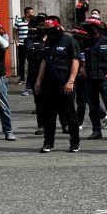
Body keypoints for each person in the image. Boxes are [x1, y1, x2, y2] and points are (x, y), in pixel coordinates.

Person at [34, 18, 81, 153]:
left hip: (65, 84)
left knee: (69, 114)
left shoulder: (69, 41)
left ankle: (75, 142)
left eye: (50, 30)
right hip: (49, 84)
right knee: (49, 115)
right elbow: (44, 61)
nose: (48, 32)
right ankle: (48, 143)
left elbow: (75, 62)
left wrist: (71, 81)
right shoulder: (48, 41)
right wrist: (38, 80)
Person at [82, 17, 107, 140]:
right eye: (88, 28)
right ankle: (96, 130)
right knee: (93, 107)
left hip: (104, 79)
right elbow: (77, 57)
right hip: (90, 79)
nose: (90, 30)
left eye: (92, 28)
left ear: (98, 29)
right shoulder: (85, 42)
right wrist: (81, 68)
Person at [25, 16, 47, 135]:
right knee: (39, 102)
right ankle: (42, 125)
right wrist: (45, 51)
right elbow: (30, 51)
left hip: (52, 74)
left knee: (57, 101)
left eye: (44, 25)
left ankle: (64, 125)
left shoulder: (54, 39)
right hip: (35, 74)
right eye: (39, 25)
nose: (41, 27)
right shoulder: (30, 39)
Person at [13, 6, 34, 85]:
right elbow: (14, 31)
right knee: (21, 62)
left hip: (32, 44)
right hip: (21, 44)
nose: (33, 13)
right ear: (27, 13)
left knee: (31, 62)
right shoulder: (19, 21)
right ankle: (22, 78)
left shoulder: (34, 21)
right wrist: (16, 41)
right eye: (31, 12)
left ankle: (31, 79)